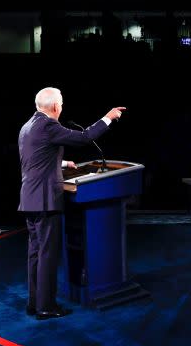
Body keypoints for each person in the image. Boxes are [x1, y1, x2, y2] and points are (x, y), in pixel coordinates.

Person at [18, 87, 125, 320]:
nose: (62, 107)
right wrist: (108, 117)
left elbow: (35, 158)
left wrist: (63, 163)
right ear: (56, 106)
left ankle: (34, 303)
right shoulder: (49, 126)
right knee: (47, 255)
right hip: (45, 200)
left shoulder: (27, 127)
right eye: (62, 103)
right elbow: (85, 137)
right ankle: (46, 307)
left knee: (35, 253)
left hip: (30, 198)